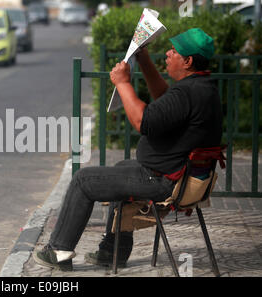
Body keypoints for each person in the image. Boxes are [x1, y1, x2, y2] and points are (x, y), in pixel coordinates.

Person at [33, 28, 223, 271]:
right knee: (122, 169)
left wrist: (122, 83)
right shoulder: (202, 88)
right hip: (179, 178)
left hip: (163, 180)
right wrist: (143, 61)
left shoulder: (187, 92)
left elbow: (142, 122)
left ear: (187, 61)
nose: (167, 53)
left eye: (174, 52)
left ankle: (58, 250)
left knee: (83, 180)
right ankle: (112, 252)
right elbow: (165, 98)